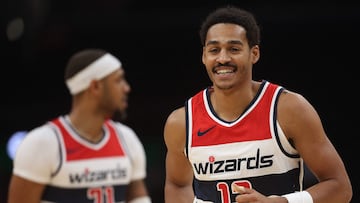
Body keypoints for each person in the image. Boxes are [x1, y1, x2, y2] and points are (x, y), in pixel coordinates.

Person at [163, 5, 352, 203]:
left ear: (254, 53)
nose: (223, 58)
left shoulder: (288, 109)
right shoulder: (182, 122)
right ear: (204, 56)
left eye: (234, 49)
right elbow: (177, 184)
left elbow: (340, 187)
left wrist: (281, 202)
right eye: (214, 50)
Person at [7, 49, 152, 203]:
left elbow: (138, 198)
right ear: (95, 86)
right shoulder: (43, 143)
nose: (126, 88)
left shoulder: (127, 138)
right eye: (118, 80)